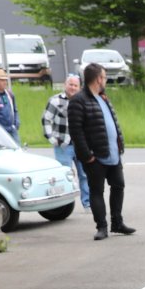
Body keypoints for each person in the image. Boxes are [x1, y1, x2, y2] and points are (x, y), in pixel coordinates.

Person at [68, 62, 136, 240]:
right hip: (95, 157)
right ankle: (102, 227)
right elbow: (76, 132)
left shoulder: (103, 97)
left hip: (113, 153)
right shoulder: (78, 100)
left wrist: (119, 146)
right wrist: (87, 156)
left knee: (118, 185)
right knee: (96, 191)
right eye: (104, 77)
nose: (105, 80)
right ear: (98, 79)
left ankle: (117, 223)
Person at [43, 74, 91, 213]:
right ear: (65, 85)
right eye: (71, 84)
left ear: (79, 87)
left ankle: (87, 204)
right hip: (63, 145)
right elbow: (46, 120)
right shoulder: (55, 101)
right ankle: (64, 206)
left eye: (76, 85)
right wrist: (52, 138)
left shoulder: (84, 101)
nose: (73, 88)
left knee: (85, 175)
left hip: (81, 145)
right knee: (65, 176)